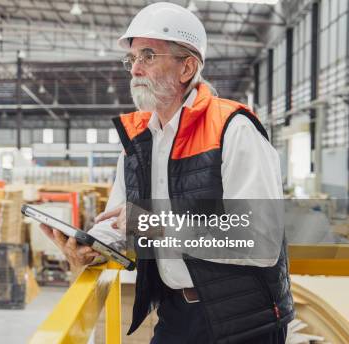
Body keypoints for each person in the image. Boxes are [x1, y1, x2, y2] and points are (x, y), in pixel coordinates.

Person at [41, 3, 294, 343]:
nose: (135, 69)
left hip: (244, 321)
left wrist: (152, 224)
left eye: (148, 56)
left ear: (187, 67)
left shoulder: (233, 129)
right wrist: (93, 247)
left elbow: (260, 241)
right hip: (175, 312)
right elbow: (121, 218)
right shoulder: (137, 140)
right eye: (132, 59)